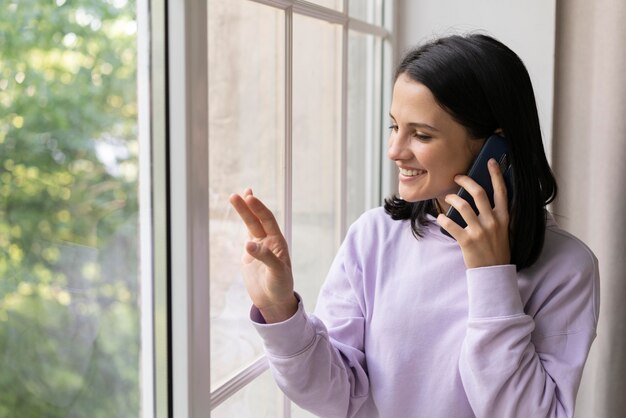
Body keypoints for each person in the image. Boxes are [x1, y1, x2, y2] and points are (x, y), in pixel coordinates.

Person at [229, 34, 599, 418]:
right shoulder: (373, 236)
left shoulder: (567, 268)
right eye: (394, 127)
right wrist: (280, 311)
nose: (395, 150)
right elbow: (337, 397)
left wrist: (492, 277)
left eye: (421, 134)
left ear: (495, 148)